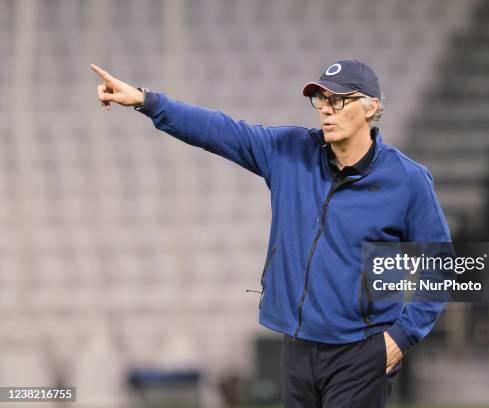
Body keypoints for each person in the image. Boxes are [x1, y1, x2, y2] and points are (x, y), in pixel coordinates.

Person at [91, 59, 452, 407]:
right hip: (297, 347)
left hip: (359, 350)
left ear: (371, 107)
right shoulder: (289, 152)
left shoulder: (406, 179)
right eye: (320, 99)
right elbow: (220, 130)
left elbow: (442, 265)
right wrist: (147, 101)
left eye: (339, 100)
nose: (326, 109)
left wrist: (401, 338)